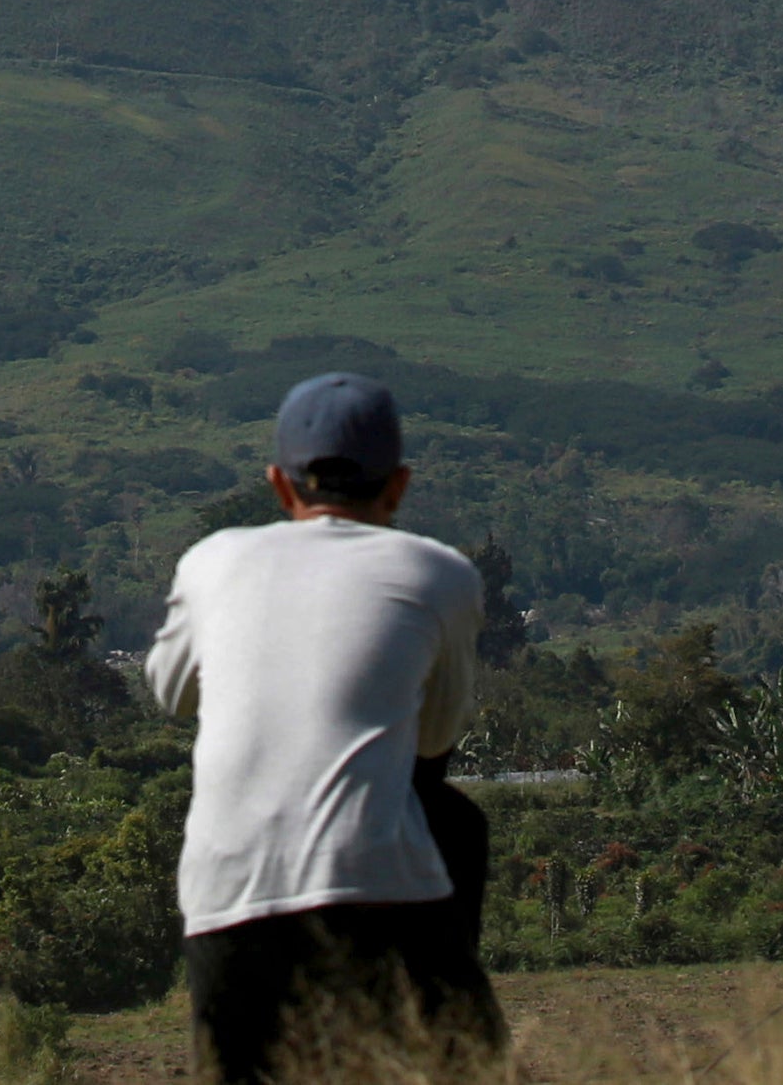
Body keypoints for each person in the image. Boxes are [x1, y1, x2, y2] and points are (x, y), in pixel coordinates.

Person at [148, 373, 501, 1085]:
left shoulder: (212, 561)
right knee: (464, 1065)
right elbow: (435, 743)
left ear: (280, 485)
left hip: (227, 897)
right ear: (398, 486)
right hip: (379, 886)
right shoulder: (440, 573)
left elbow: (170, 692)